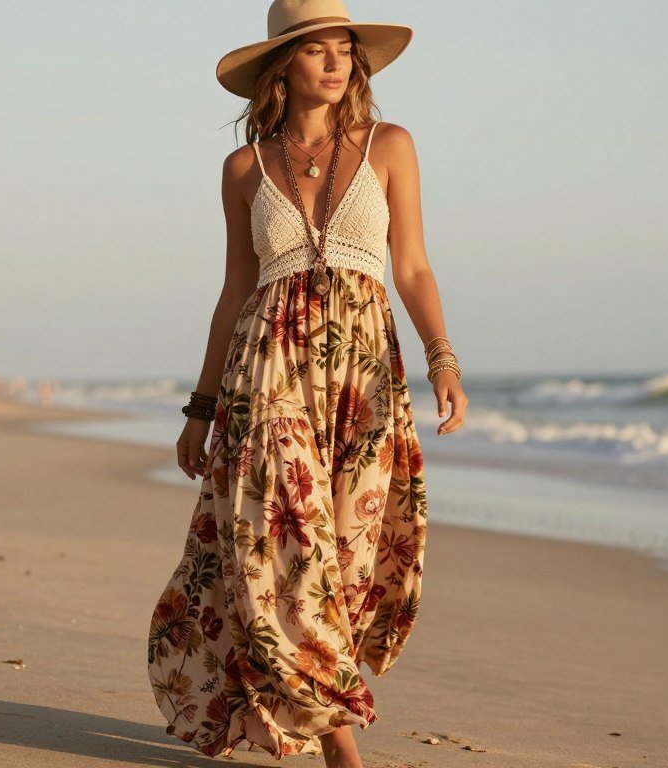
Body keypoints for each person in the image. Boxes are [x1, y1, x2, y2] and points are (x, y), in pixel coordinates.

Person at [147, 1, 469, 765]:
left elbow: (413, 264)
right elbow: (234, 292)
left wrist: (443, 357)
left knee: (350, 555)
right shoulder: (243, 169)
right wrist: (201, 408)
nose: (334, 62)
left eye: (343, 49)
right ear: (281, 66)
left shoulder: (391, 146)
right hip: (269, 374)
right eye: (315, 49)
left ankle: (305, 706)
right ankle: (341, 751)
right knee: (287, 551)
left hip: (364, 377)